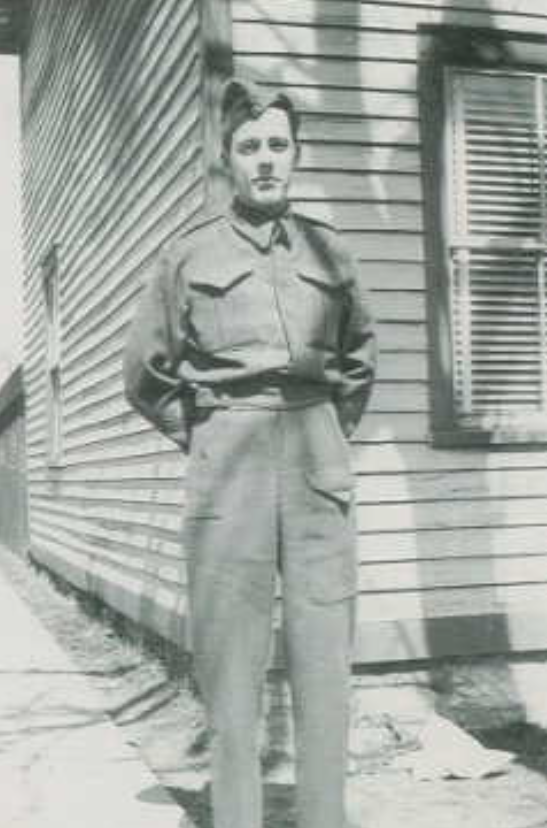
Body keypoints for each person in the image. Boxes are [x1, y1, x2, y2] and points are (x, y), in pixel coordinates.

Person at [123, 77, 377, 828]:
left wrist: (324, 430)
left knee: (324, 663)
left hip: (315, 454)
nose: (265, 159)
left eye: (278, 145)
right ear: (227, 159)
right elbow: (144, 373)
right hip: (227, 457)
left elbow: (358, 360)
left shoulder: (331, 252)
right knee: (230, 670)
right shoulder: (187, 255)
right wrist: (205, 434)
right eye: (249, 146)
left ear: (295, 154)